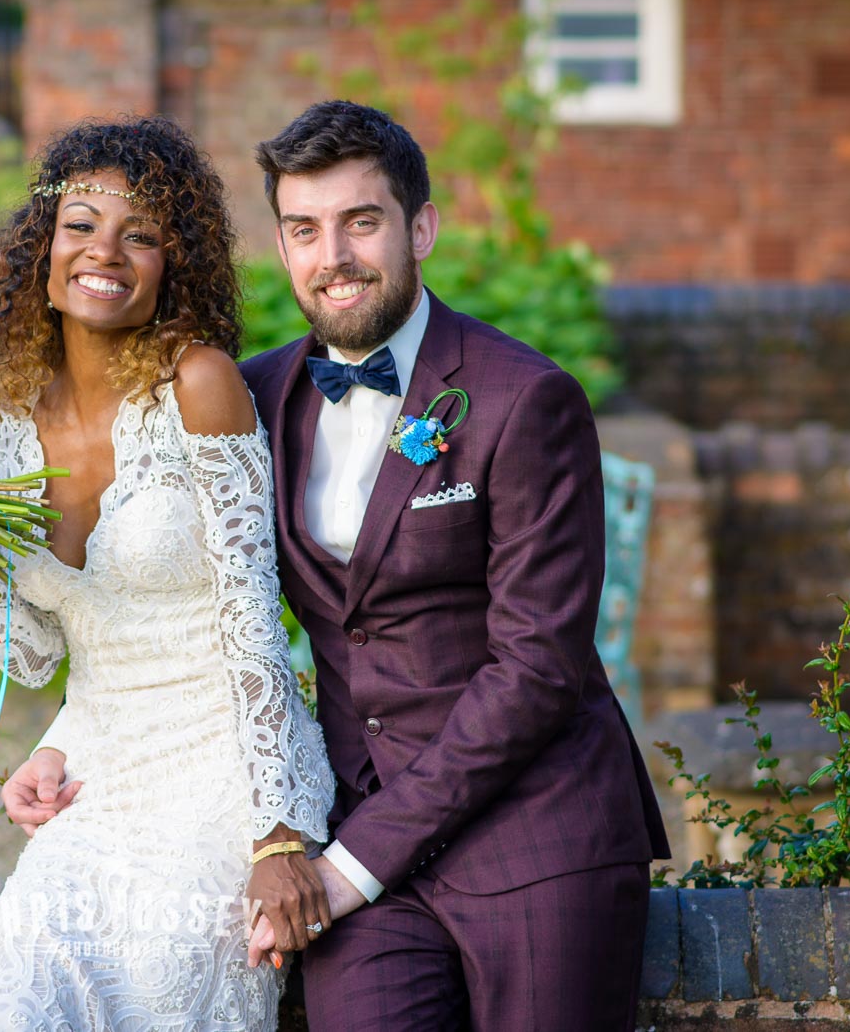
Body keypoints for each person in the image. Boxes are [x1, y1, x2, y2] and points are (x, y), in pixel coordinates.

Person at [0, 116, 336, 1030]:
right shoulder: (6, 416)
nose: (103, 252)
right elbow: (37, 644)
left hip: (222, 770)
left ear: (171, 262)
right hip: (99, 770)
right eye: (80, 225)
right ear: (43, 245)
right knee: (14, 989)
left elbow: (253, 620)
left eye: (140, 234)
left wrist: (277, 833)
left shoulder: (200, 384)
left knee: (161, 976)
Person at [238, 99, 672, 1029]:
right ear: (282, 247)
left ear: (420, 226)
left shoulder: (525, 399)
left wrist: (349, 866)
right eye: (304, 230)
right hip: (364, 831)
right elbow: (182, 597)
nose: (334, 256)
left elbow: (538, 669)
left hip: (537, 832)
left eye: (362, 221)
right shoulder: (255, 395)